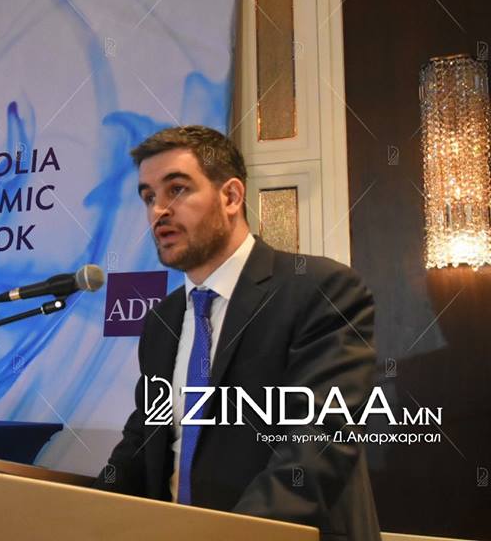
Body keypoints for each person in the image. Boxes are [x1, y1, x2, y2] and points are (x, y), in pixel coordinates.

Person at [94, 126, 380, 541]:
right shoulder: (161, 320)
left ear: (230, 196)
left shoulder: (321, 291)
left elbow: (318, 442)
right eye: (149, 197)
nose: (159, 211)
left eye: (177, 190)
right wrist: (83, 517)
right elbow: (144, 441)